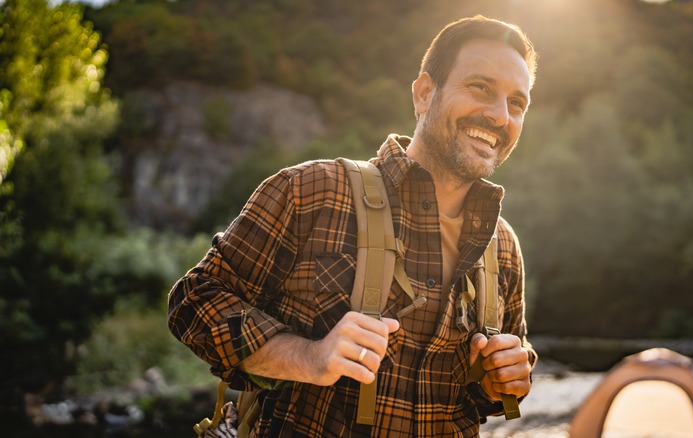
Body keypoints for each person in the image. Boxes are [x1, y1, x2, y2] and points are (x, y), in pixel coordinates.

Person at [168, 15, 538, 437]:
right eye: (480, 88)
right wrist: (309, 357)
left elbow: (485, 391)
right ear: (423, 93)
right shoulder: (311, 190)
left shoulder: (503, 246)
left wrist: (505, 380)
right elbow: (194, 301)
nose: (498, 115)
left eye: (517, 103)